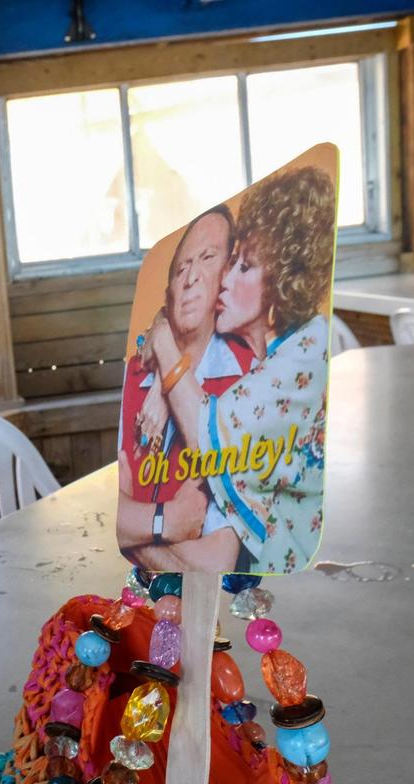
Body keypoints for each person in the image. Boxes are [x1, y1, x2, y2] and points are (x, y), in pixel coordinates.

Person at [144, 166, 334, 574]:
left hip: (303, 580)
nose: (223, 282)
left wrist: (162, 340)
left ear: (283, 280)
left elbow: (207, 436)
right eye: (229, 264)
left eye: (243, 267)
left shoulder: (304, 350)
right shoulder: (266, 355)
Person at [116, 206, 254, 572]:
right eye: (181, 269)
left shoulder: (247, 377)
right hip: (138, 602)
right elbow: (114, 522)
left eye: (208, 259)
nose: (191, 277)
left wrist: (140, 533)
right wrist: (168, 521)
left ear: (227, 276)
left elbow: (215, 562)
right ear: (169, 292)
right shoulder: (135, 375)